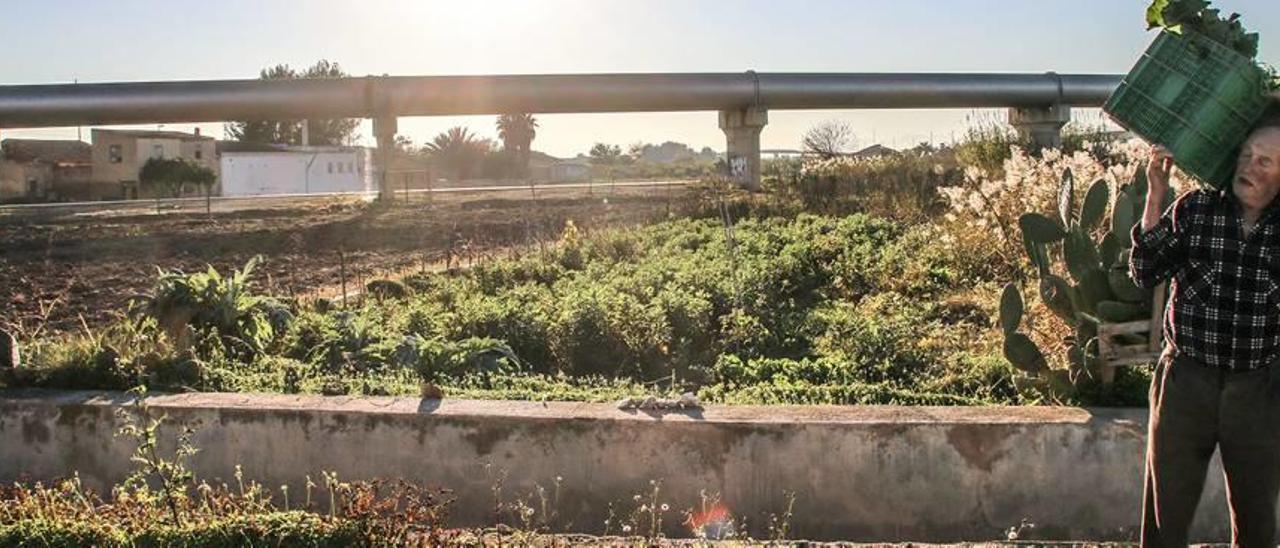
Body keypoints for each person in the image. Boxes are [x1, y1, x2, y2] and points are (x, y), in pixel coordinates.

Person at [1130, 118, 1280, 547]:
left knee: (1257, 520)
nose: (1249, 166)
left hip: (1259, 388)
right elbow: (1144, 271)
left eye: (1264, 161)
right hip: (1186, 382)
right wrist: (1157, 194)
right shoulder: (1197, 209)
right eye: (1246, 155)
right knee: (1165, 518)